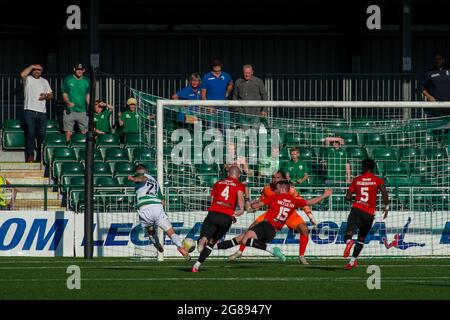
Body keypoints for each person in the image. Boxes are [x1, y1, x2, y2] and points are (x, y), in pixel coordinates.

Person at [216, 181, 332, 262]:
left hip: (266, 225)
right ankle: (211, 247)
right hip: (273, 231)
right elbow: (312, 202)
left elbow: (255, 205)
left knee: (245, 239)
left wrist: (248, 201)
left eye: (276, 189)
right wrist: (325, 195)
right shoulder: (294, 201)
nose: (275, 190)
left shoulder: (274, 197)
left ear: (282, 189)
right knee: (239, 239)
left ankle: (272, 250)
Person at [228, 171, 318, 264]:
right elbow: (261, 201)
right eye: (273, 177)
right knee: (253, 226)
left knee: (304, 229)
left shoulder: (290, 189)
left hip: (289, 214)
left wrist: (310, 216)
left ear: (282, 179)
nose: (275, 179)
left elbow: (302, 202)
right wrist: (253, 207)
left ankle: (301, 256)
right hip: (272, 213)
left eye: (278, 177)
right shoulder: (267, 189)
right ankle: (240, 251)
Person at [127, 164, 191, 260]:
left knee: (150, 230)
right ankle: (180, 247)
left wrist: (133, 179)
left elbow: (142, 178)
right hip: (157, 207)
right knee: (170, 231)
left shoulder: (140, 176)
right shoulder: (155, 182)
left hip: (144, 207)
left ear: (138, 171)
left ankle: (156, 243)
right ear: (147, 170)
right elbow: (163, 201)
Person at [192, 166, 245, 272]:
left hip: (214, 213)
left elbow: (212, 200)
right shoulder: (239, 185)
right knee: (212, 242)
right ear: (238, 175)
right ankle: (196, 266)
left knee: (205, 236)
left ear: (228, 173)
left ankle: (202, 239)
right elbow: (240, 196)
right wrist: (241, 209)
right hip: (226, 217)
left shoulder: (218, 183)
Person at [343, 158, 389, 270]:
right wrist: (386, 207)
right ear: (372, 168)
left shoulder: (357, 179)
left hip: (357, 209)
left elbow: (348, 198)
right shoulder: (378, 180)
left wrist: (355, 196)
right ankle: (352, 262)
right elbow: (384, 193)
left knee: (349, 233)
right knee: (361, 238)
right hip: (369, 213)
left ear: (363, 167)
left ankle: (349, 242)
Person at [20, 64, 53, 163]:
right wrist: (31, 66)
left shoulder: (44, 81)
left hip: (42, 112)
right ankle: (30, 155)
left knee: (41, 135)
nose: (37, 71)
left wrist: (46, 96)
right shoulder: (28, 79)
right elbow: (22, 74)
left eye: (39, 70)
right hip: (29, 111)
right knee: (31, 133)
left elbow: (51, 95)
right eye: (35, 69)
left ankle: (41, 156)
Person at [232, 64, 268, 130]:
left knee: (254, 134)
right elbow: (235, 96)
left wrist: (264, 110)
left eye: (248, 73)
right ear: (243, 72)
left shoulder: (258, 82)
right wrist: (237, 110)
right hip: (243, 114)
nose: (247, 74)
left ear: (252, 72)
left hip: (256, 113)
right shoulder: (238, 82)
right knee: (245, 135)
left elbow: (264, 96)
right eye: (245, 72)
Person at [201, 59, 233, 131]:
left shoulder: (226, 75)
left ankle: (226, 142)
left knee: (226, 130)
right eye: (215, 65)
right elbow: (203, 94)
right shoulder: (206, 77)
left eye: (218, 65)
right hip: (211, 108)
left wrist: (227, 92)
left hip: (224, 106)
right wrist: (208, 107)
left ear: (221, 66)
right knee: (211, 130)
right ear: (212, 66)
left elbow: (231, 84)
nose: (217, 66)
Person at [61, 63, 90, 141]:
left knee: (85, 132)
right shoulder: (68, 79)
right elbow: (64, 93)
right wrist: (68, 102)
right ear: (74, 70)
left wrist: (89, 104)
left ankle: (84, 149)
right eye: (78, 69)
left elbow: (87, 95)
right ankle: (68, 148)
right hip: (69, 110)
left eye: (81, 69)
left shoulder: (87, 80)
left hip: (82, 110)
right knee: (68, 132)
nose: (79, 71)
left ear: (83, 70)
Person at [420, 51, 450, 116]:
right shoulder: (429, 73)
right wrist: (429, 97)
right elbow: (421, 86)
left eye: (439, 59)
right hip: (437, 105)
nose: (437, 61)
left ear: (443, 59)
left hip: (449, 103)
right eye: (436, 59)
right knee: (439, 125)